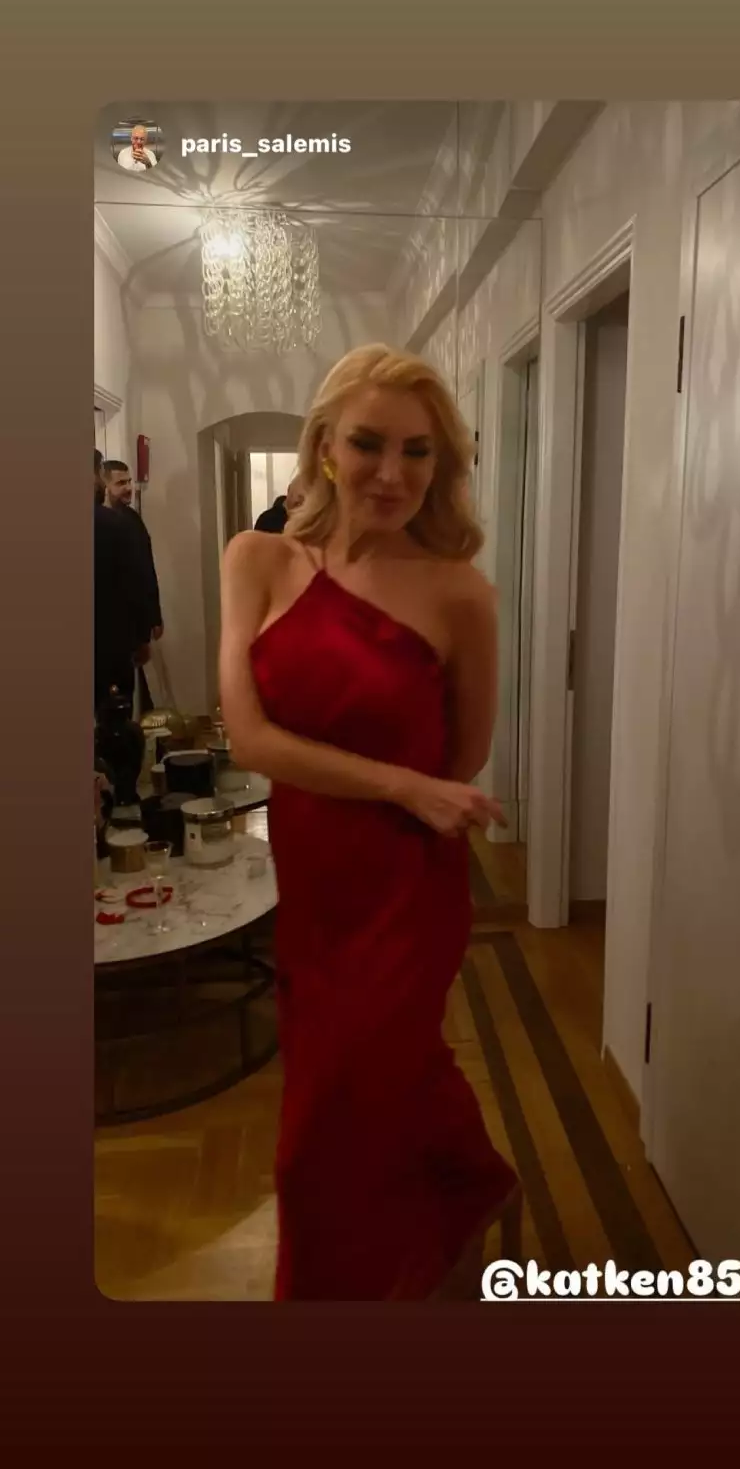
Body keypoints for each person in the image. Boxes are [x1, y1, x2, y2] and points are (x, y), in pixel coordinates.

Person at [219, 344, 521, 1300]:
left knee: (322, 1130)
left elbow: (461, 757)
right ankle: (469, 1183)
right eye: (367, 444)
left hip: (404, 894)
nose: (391, 473)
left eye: (417, 452)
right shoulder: (256, 560)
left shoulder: (460, 591)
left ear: (442, 465)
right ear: (323, 446)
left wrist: (413, 794)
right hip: (313, 884)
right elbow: (250, 740)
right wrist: (399, 784)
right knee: (382, 1080)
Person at [93, 450, 152, 711]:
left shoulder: (131, 520)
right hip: (111, 639)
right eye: (121, 483)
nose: (129, 487)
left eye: (129, 481)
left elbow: (145, 569)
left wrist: (151, 620)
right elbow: (131, 583)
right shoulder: (108, 524)